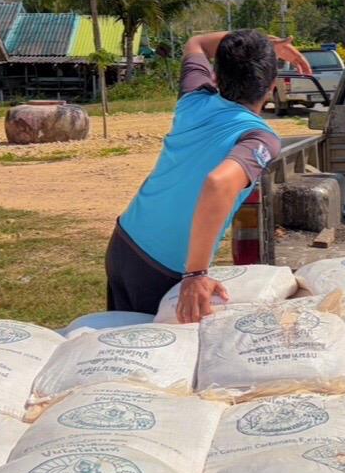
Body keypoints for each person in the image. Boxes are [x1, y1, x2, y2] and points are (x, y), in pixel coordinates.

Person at [106, 29, 311, 322]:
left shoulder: (193, 97)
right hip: (163, 268)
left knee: (117, 336)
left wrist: (261, 42)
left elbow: (197, 42)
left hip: (125, 242)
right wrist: (196, 274)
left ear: (216, 76)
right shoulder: (260, 138)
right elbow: (218, 184)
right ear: (270, 87)